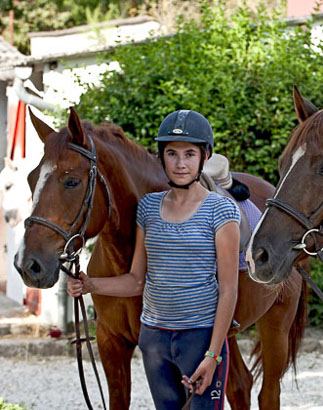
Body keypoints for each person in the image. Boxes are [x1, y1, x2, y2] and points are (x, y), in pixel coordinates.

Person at [67, 109, 241, 410]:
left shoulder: (221, 211)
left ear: (204, 157)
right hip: (154, 339)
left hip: (199, 339)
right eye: (172, 154)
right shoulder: (147, 208)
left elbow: (228, 290)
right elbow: (136, 281)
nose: (181, 163)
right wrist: (89, 284)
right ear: (162, 157)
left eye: (190, 154)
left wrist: (212, 355)